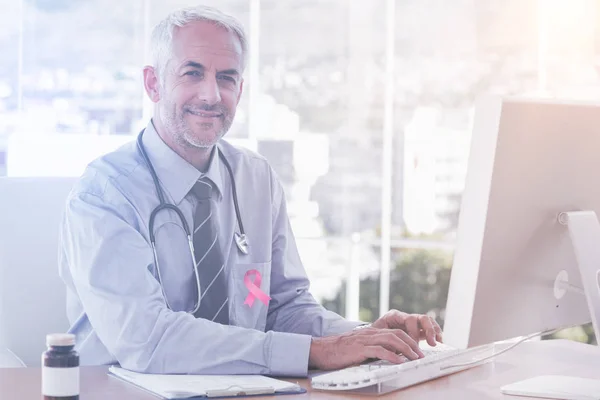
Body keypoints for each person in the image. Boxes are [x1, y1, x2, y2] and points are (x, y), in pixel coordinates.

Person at [58, 5, 443, 376]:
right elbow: (147, 340)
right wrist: (316, 352)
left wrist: (365, 338)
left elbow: (283, 309)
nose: (211, 95)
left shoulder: (256, 179)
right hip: (120, 390)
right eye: (192, 73)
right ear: (153, 83)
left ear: (240, 90)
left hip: (242, 388)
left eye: (226, 77)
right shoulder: (104, 195)